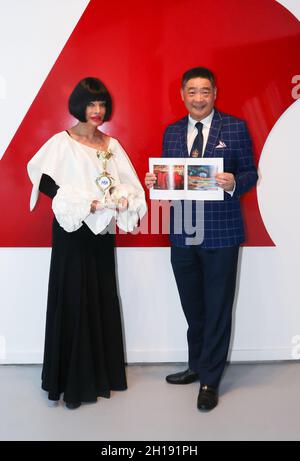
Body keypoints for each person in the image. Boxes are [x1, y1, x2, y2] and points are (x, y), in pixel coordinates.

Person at [27, 77, 147, 409]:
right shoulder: (61, 143)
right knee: (74, 295)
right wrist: (81, 203)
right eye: (91, 104)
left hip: (102, 231)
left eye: (101, 105)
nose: (96, 111)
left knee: (101, 292)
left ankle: (102, 374)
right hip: (71, 232)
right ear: (79, 106)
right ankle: (71, 380)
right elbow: (45, 182)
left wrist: (123, 200)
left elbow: (128, 184)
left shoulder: (111, 145)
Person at [145, 67, 258, 411]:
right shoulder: (173, 131)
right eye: (192, 91)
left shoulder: (235, 127)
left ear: (215, 93)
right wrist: (156, 182)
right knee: (193, 306)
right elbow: (172, 180)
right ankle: (197, 365)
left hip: (222, 233)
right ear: (182, 94)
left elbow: (251, 172)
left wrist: (233, 183)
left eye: (204, 91)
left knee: (218, 308)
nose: (198, 98)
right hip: (182, 233)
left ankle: (210, 380)